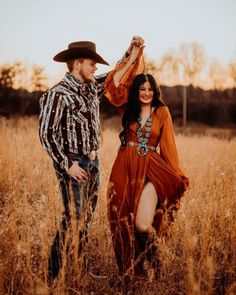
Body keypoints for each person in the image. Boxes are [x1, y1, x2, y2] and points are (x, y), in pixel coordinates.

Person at [39, 37, 143, 281]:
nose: (96, 67)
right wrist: (67, 165)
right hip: (73, 164)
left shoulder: (89, 87)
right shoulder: (57, 94)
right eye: (92, 64)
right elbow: (47, 134)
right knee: (74, 217)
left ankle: (77, 269)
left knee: (84, 218)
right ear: (77, 64)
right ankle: (53, 275)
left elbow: (113, 76)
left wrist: (131, 53)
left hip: (93, 162)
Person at [104, 45, 189, 287]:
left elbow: (169, 147)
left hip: (152, 170)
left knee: (142, 224)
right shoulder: (127, 110)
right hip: (124, 168)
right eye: (142, 88)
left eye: (150, 89)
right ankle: (136, 275)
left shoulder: (162, 113)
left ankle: (158, 267)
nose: (146, 92)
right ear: (136, 91)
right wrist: (132, 58)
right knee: (122, 223)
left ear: (155, 91)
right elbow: (113, 87)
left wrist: (176, 175)